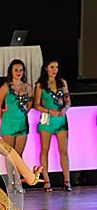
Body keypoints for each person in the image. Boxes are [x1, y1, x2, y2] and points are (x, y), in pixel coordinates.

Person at [0, 59, 33, 193]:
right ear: (11, 71)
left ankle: (18, 182)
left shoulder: (27, 88)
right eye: (16, 70)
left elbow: (29, 105)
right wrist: (5, 117)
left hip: (22, 123)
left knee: (19, 154)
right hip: (8, 123)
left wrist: (22, 114)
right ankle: (10, 183)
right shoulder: (5, 87)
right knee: (9, 154)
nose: (18, 73)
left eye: (21, 70)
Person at [34, 57, 72, 192]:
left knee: (64, 150)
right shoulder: (40, 85)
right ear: (46, 68)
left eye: (56, 67)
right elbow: (36, 104)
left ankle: (67, 180)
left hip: (60, 120)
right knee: (45, 149)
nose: (54, 70)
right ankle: (46, 181)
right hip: (47, 119)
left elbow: (68, 100)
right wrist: (48, 110)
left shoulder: (62, 83)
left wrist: (65, 108)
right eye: (51, 67)